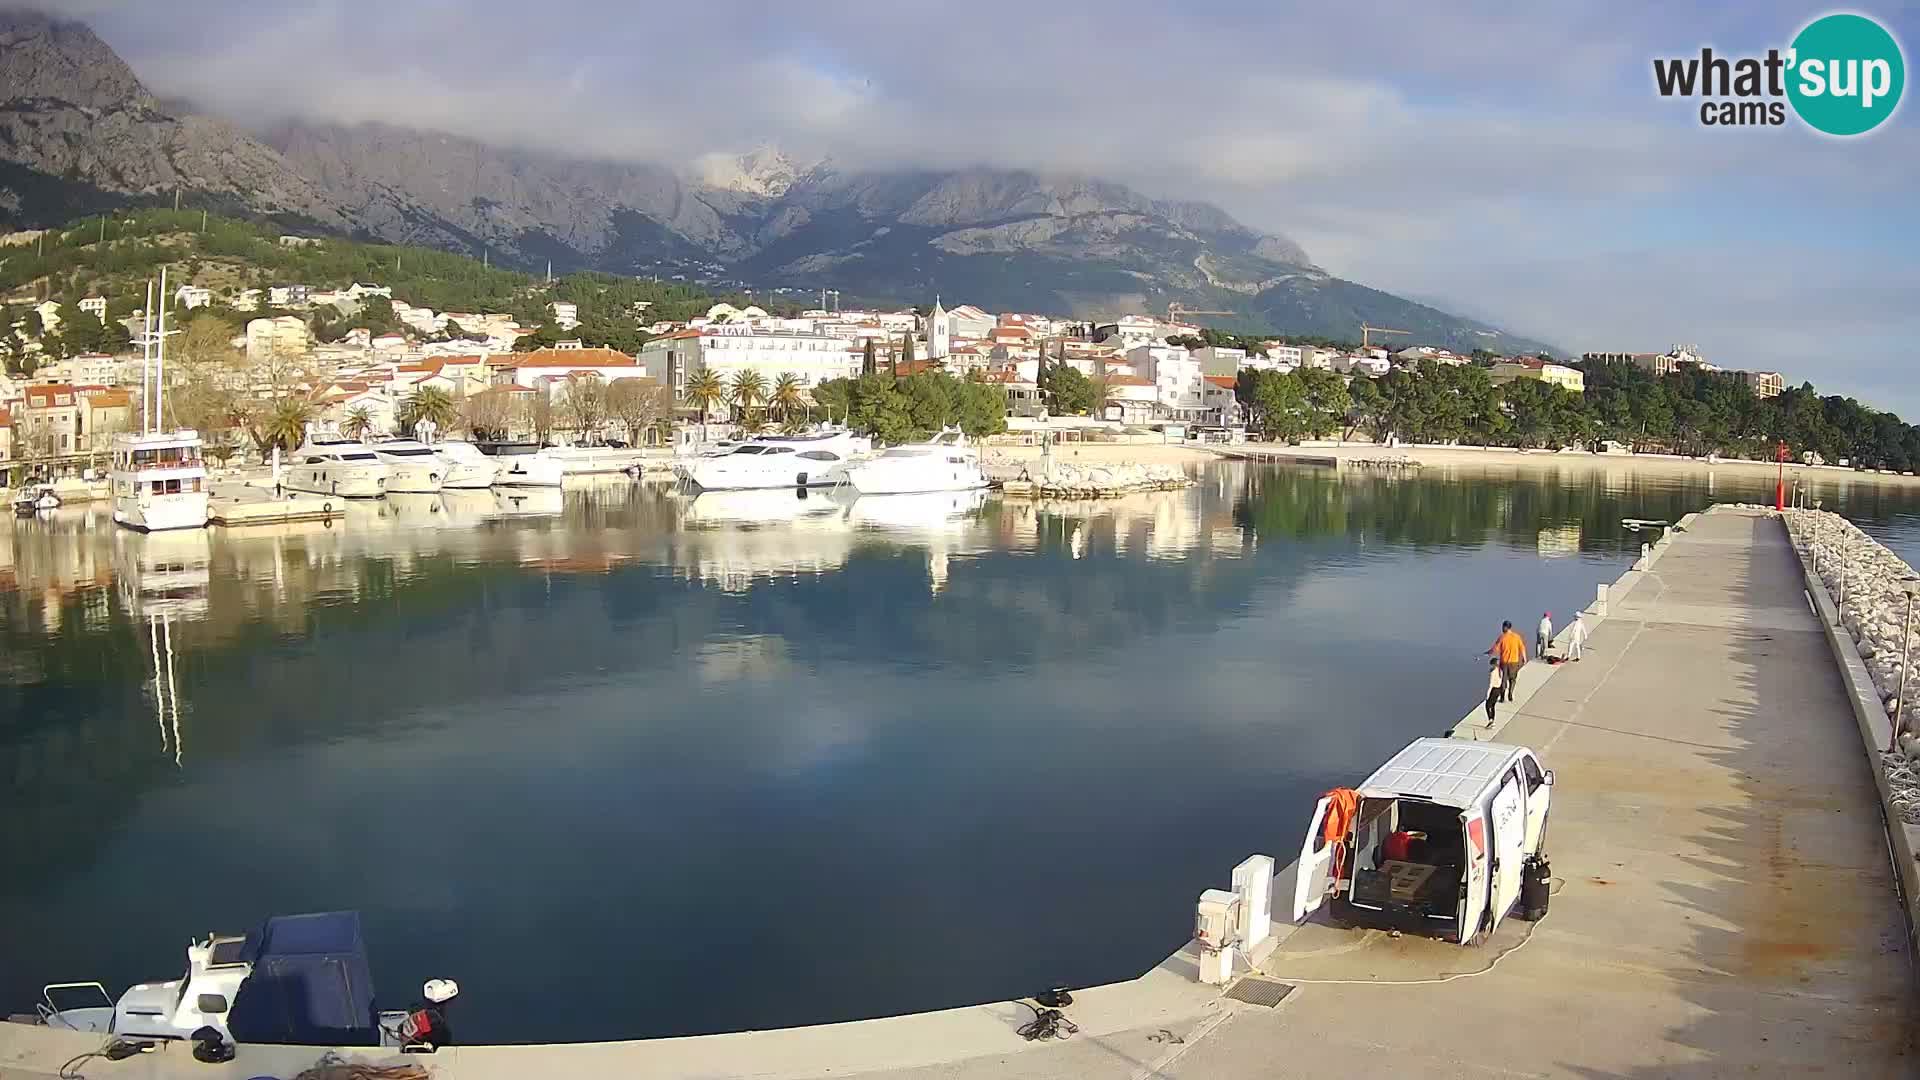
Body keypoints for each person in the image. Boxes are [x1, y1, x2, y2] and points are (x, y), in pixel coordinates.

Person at [1488, 621, 1527, 701]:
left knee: (1504, 680)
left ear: (1506, 627)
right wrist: (1524, 658)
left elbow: (1495, 648)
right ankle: (1510, 694)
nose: (1502, 629)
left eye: (1503, 627)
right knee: (1512, 679)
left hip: (1504, 662)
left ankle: (1502, 697)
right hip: (1514, 662)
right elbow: (1522, 647)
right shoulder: (1517, 637)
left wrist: (1489, 652)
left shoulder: (1502, 637)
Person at [1484, 657, 1503, 723]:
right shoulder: (1500, 671)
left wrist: (1487, 694)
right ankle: (1493, 720)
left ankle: (1490, 720)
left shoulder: (1493, 672)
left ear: (1493, 664)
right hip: (1498, 689)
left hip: (1493, 690)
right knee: (1493, 706)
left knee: (1487, 705)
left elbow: (1491, 684)